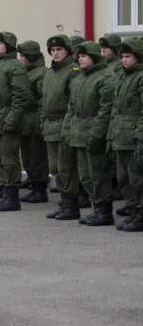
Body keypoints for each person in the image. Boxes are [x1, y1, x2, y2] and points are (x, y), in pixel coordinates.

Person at [63, 41, 117, 226]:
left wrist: (97, 134)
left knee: (98, 175)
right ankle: (96, 209)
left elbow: (105, 110)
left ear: (93, 57)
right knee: (85, 175)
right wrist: (68, 129)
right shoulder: (78, 79)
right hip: (79, 132)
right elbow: (71, 107)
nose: (80, 59)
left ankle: (104, 212)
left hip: (94, 132)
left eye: (84, 56)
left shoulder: (105, 78)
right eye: (79, 56)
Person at [0, 32, 30, 212]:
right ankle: (4, 192)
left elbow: (20, 98)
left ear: (9, 46)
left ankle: (12, 197)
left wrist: (11, 119)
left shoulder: (15, 67)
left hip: (7, 120)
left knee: (9, 159)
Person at [40, 35, 81, 220]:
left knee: (66, 167)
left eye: (59, 50)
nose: (55, 53)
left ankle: (72, 205)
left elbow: (74, 101)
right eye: (53, 50)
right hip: (50, 125)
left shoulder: (73, 71)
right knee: (55, 167)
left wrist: (68, 125)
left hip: (64, 123)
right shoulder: (50, 72)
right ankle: (64, 202)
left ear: (68, 51)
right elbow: (45, 100)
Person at [108, 37, 143, 231]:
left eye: (128, 56)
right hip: (120, 135)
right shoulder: (122, 77)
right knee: (124, 178)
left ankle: (140, 213)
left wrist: (140, 138)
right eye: (122, 56)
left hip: (133, 136)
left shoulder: (140, 77)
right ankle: (132, 209)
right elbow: (115, 109)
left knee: (137, 178)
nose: (124, 60)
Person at [17, 40, 49, 203]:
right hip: (24, 120)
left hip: (34, 119)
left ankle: (40, 189)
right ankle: (32, 181)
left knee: (38, 157)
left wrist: (40, 121)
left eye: (23, 56)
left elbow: (43, 99)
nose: (20, 59)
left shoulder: (41, 73)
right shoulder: (25, 72)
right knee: (27, 156)